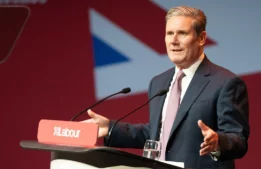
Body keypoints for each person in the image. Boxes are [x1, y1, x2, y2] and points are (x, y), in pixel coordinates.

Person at [84, 5, 250, 169]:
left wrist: (218, 142)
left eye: (182, 33)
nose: (174, 41)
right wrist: (110, 128)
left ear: (201, 38)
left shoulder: (225, 82)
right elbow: (156, 133)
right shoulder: (159, 82)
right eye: (169, 33)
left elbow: (238, 139)